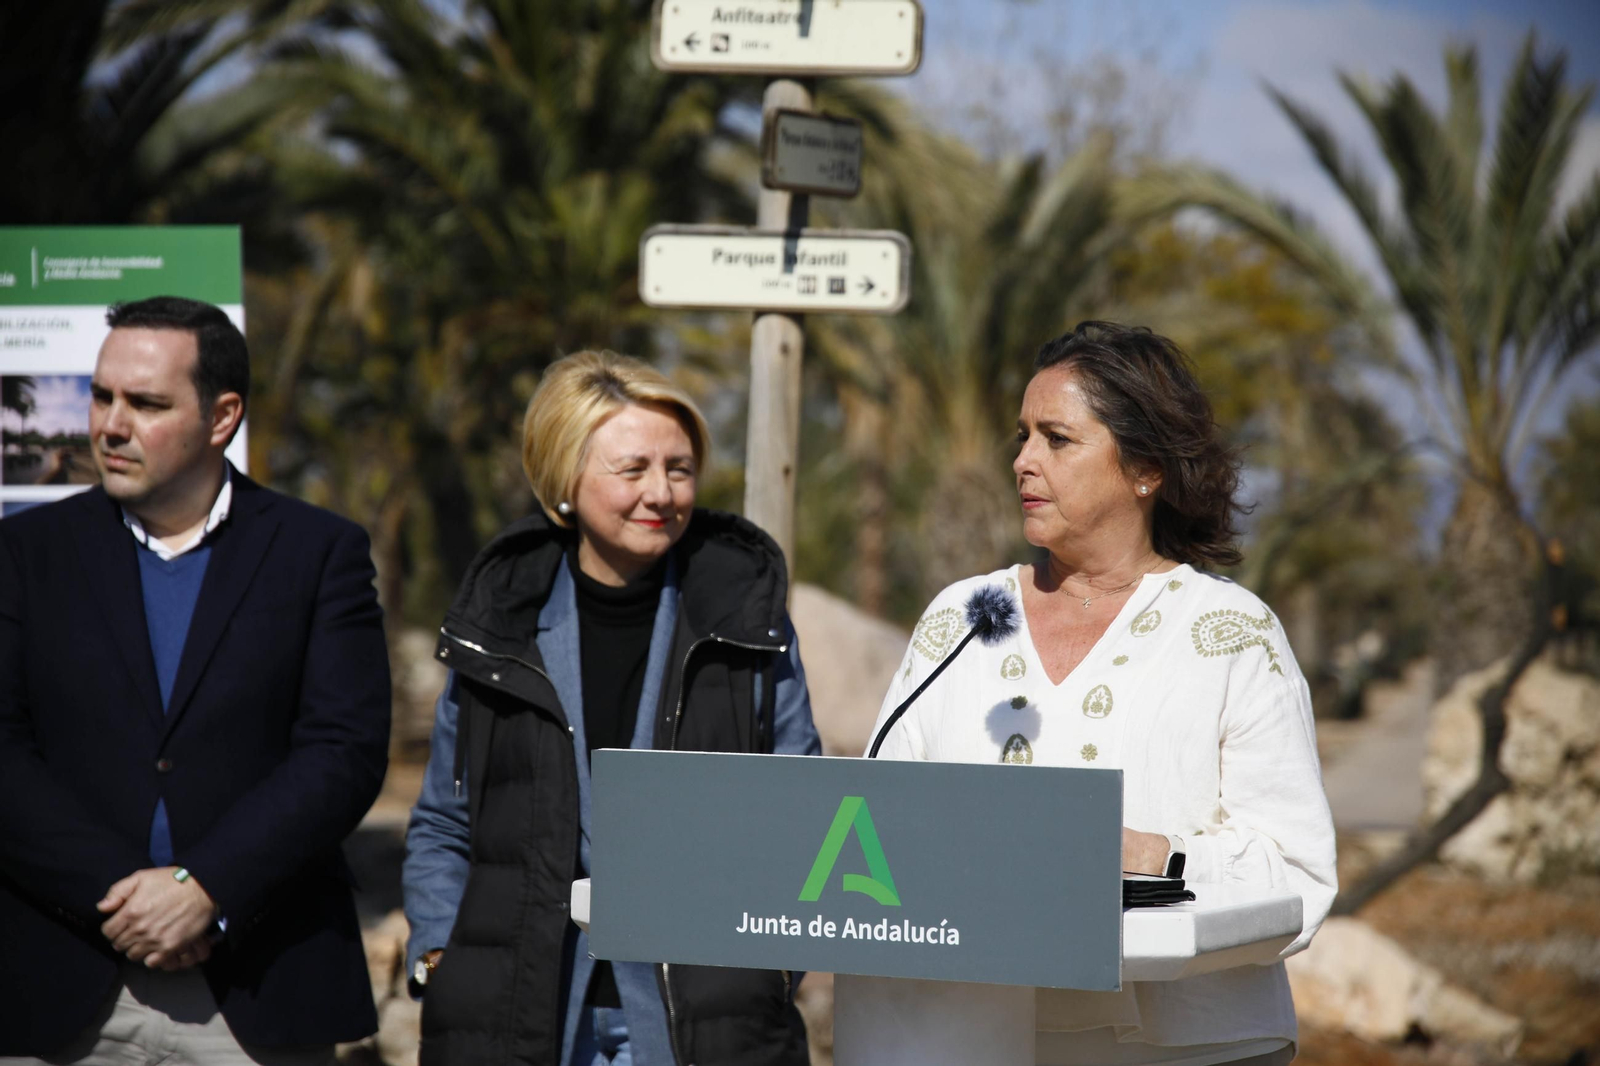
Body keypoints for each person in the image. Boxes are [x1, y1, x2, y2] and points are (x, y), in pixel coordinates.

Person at [868, 322, 1336, 1066]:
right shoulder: (961, 618)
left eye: (1057, 439)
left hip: (1194, 1043)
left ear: (1145, 467)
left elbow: (1299, 871)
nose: (1023, 461)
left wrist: (1149, 857)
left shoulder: (1231, 631)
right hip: (973, 1033)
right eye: (1021, 436)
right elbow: (874, 825)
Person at [0, 296, 391, 1065]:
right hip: (57, 983)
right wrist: (120, 895)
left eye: (146, 403)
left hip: (257, 988)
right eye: (102, 395)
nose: (111, 425)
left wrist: (205, 889)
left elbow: (342, 751)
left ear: (222, 418)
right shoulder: (24, 554)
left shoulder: (318, 553)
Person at [403, 350, 820, 1066]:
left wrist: (773, 970)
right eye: (633, 470)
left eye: (679, 468)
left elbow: (800, 810)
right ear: (565, 480)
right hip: (522, 1020)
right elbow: (444, 820)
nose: (662, 492)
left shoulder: (745, 623)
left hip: (702, 1025)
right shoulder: (498, 628)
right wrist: (443, 953)